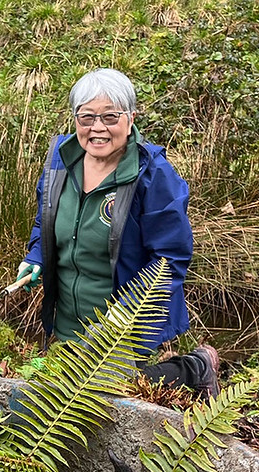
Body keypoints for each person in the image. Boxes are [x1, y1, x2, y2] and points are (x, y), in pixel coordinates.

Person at [16, 68, 219, 398]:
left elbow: (171, 256)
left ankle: (195, 368)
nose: (97, 128)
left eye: (109, 117)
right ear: (75, 119)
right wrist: (35, 257)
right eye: (86, 117)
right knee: (67, 399)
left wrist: (128, 311)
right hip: (69, 317)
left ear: (131, 117)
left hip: (126, 323)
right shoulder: (59, 161)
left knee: (104, 394)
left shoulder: (152, 174)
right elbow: (45, 222)